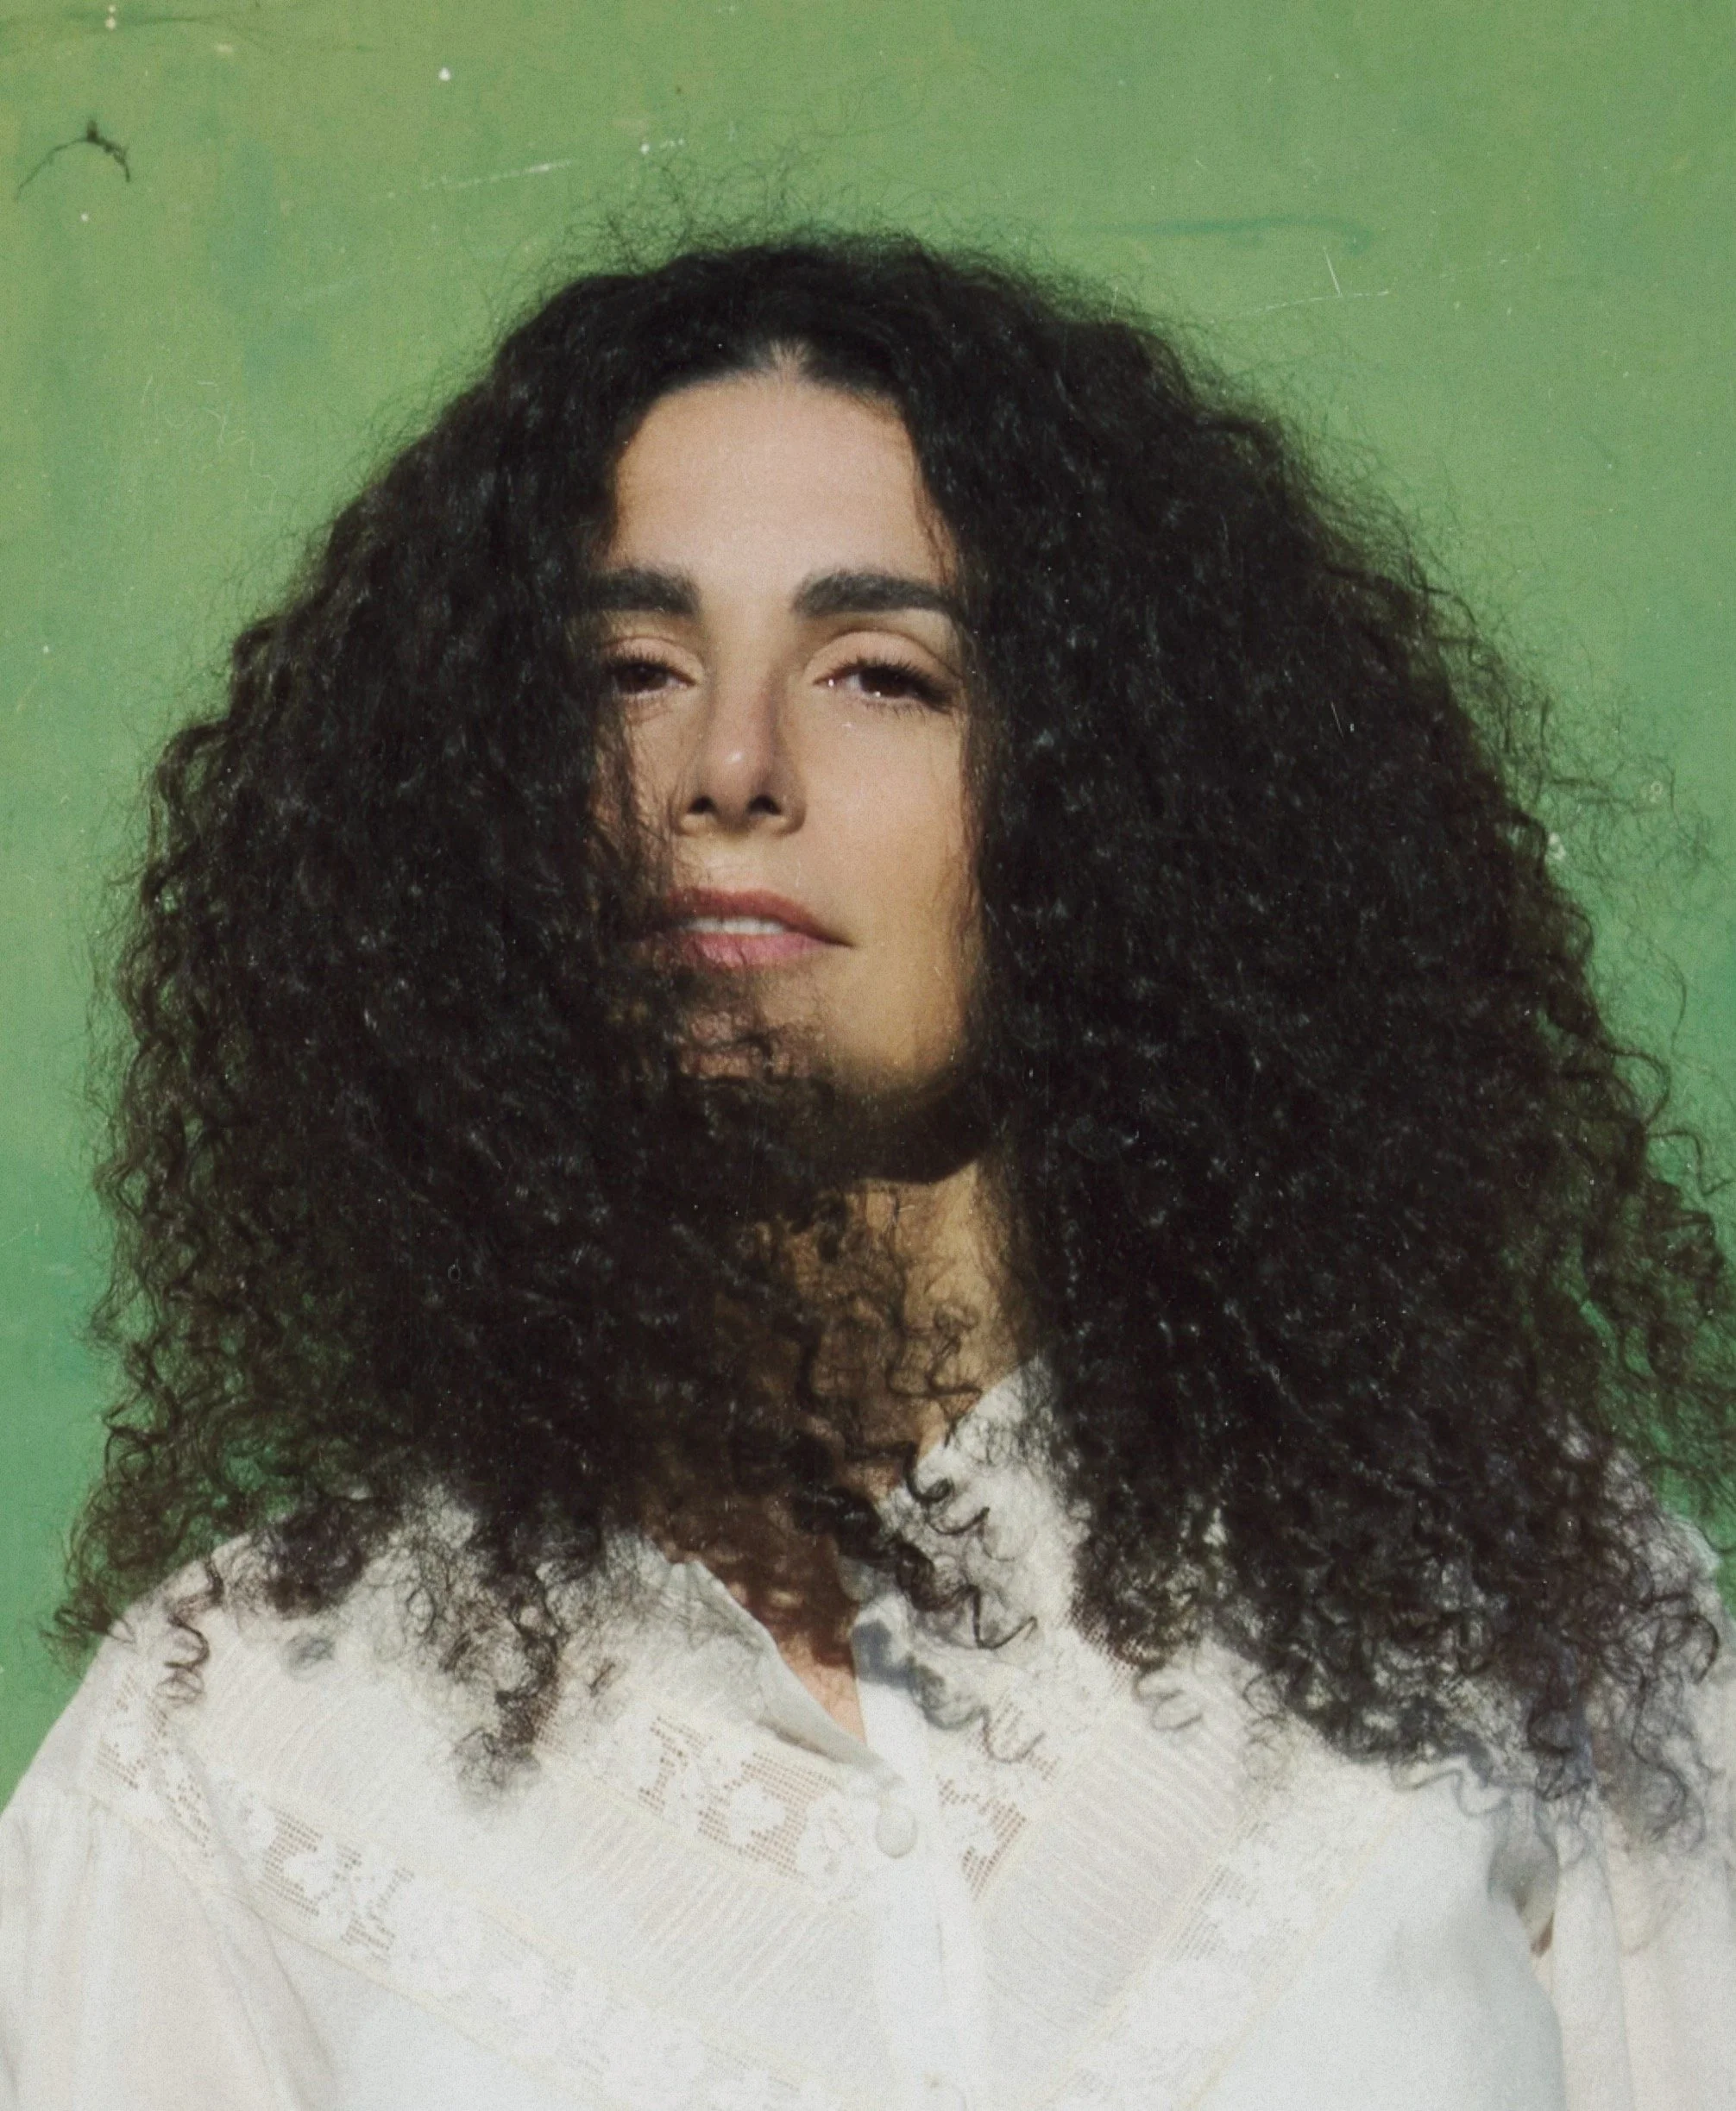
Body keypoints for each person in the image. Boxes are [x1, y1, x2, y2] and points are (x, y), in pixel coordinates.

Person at [1, 230, 1733, 2110]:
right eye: (631, 668)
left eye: (883, 673)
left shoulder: (1504, 1602)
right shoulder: (241, 1736)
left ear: (1120, 798)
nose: (728, 763)